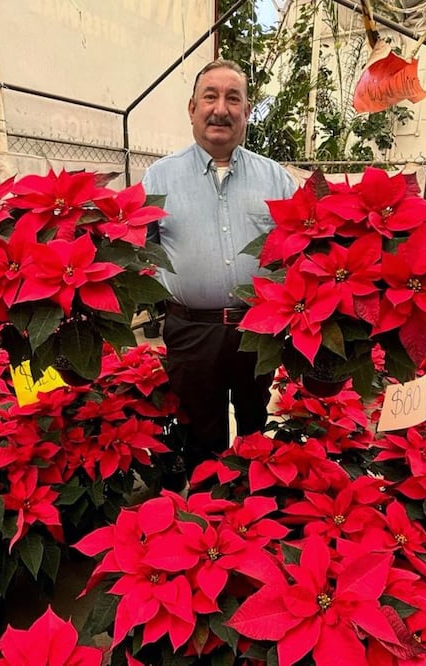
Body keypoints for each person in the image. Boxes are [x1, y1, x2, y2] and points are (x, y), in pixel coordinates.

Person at [142, 60, 296, 476]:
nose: (221, 109)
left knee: (253, 427)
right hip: (191, 332)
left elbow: (298, 253)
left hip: (258, 329)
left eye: (233, 98)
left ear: (247, 112)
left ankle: (250, 509)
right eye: (210, 96)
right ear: (192, 108)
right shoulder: (159, 178)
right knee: (200, 433)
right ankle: (208, 517)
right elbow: (142, 251)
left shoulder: (277, 180)